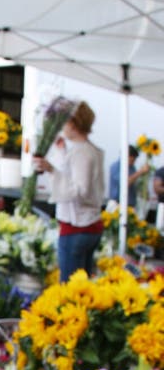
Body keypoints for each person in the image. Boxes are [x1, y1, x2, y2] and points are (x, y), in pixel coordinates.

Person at [33, 101, 105, 283]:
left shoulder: (82, 152)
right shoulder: (91, 150)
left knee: (69, 287)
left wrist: (51, 169)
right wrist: (62, 153)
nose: (62, 126)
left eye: (64, 121)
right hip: (89, 225)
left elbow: (79, 189)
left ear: (73, 123)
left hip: (77, 227)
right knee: (83, 285)